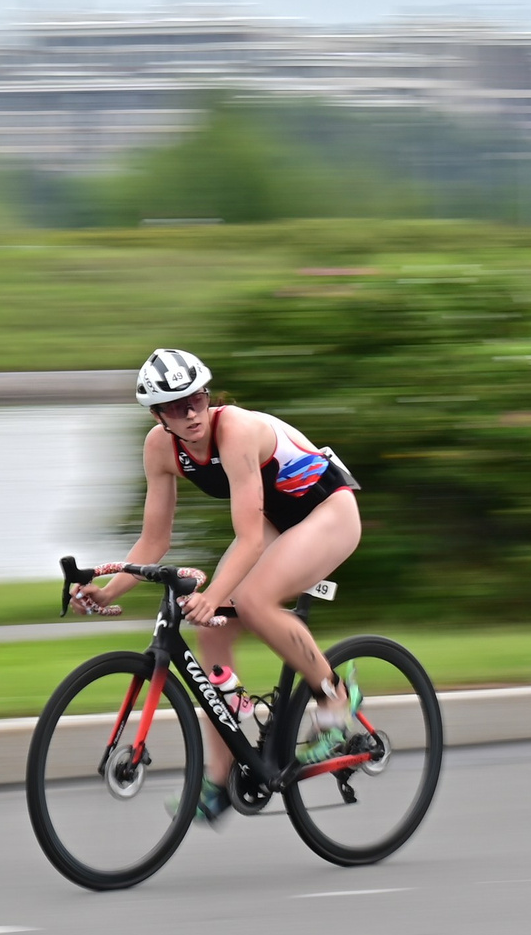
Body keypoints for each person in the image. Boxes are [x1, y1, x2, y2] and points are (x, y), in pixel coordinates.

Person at [74, 349, 364, 821]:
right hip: (277, 519)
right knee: (210, 630)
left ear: (207, 394)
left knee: (251, 600)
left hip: (327, 509)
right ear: (156, 415)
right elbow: (154, 540)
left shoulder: (236, 431)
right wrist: (107, 591)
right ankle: (220, 779)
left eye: (194, 398)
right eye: (173, 407)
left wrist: (212, 596)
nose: (188, 413)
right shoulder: (159, 448)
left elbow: (249, 539)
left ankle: (333, 697)